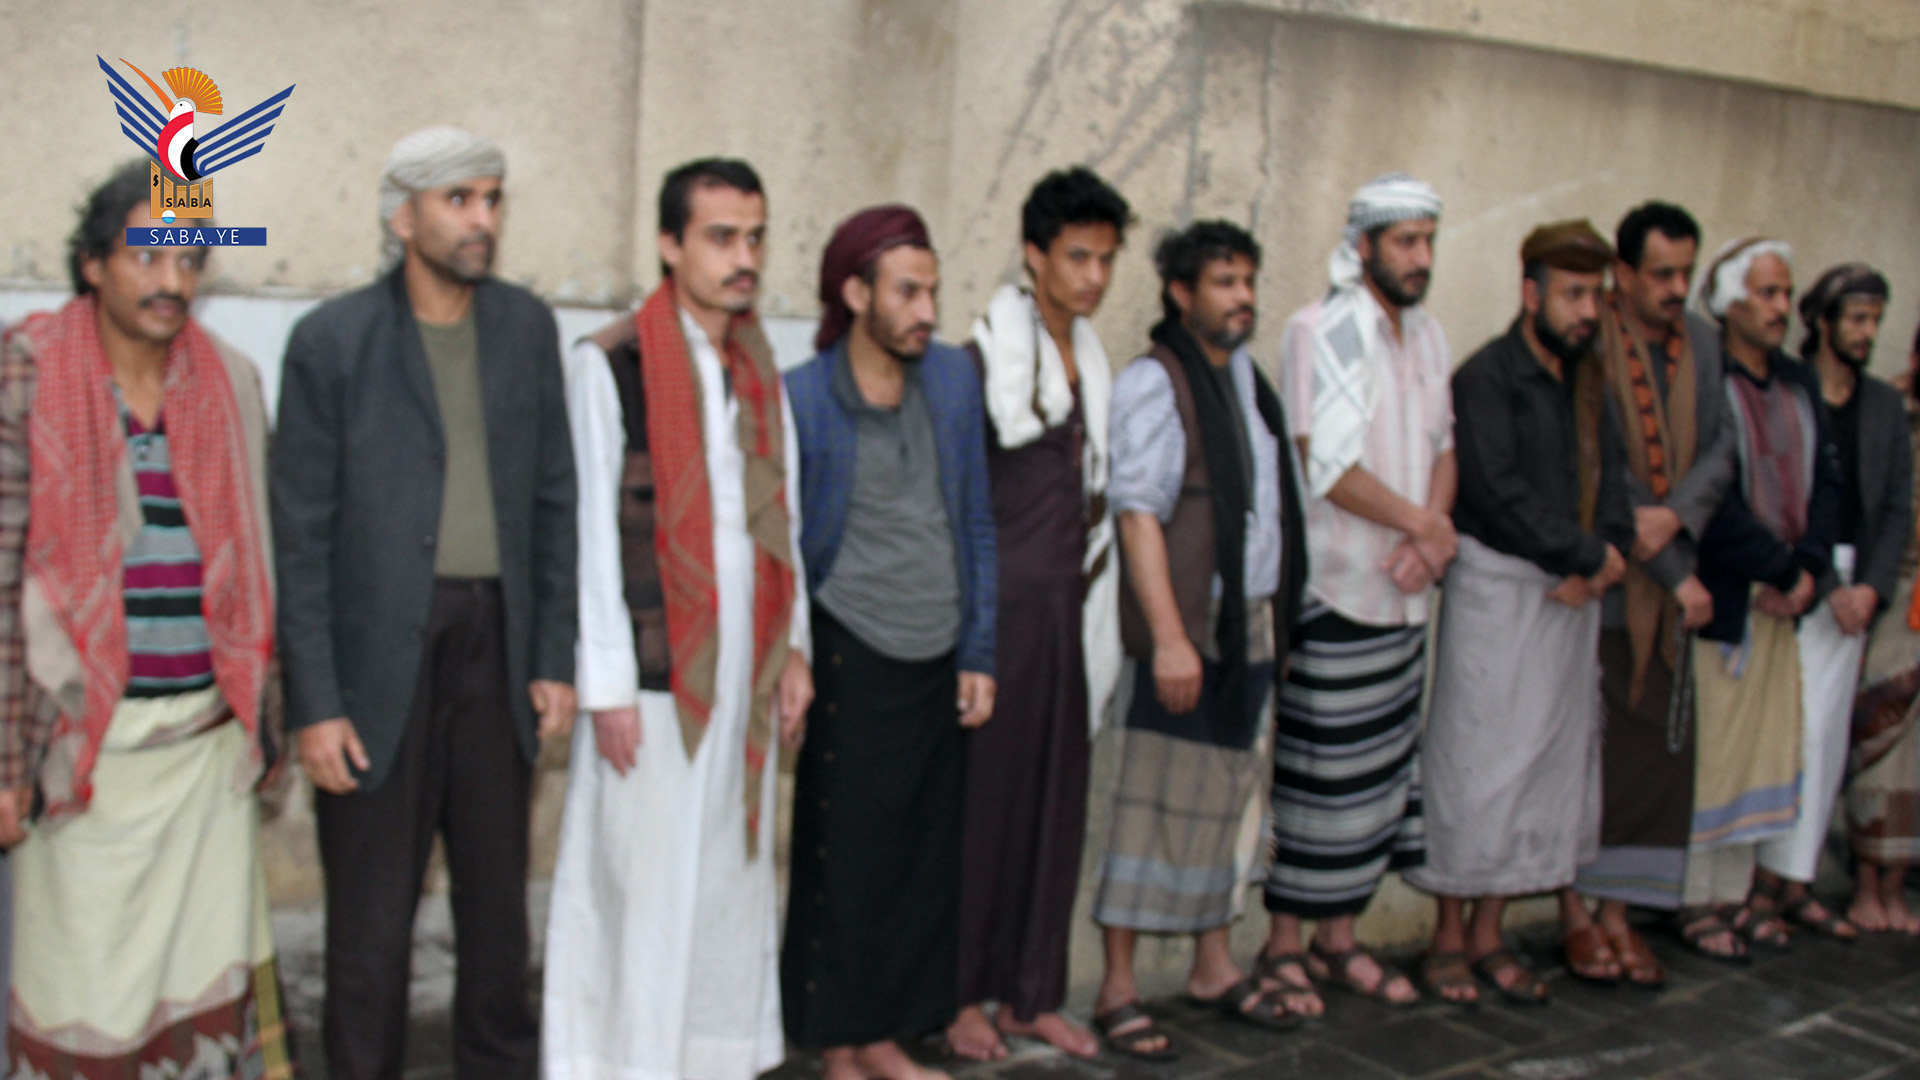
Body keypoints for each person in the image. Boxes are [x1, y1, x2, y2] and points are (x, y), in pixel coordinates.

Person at [272, 127, 578, 1079]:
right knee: (370, 927)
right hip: (377, 663)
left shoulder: (526, 328)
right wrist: (316, 704)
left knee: (497, 917)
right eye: (459, 200)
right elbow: (300, 538)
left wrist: (552, 656)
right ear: (403, 218)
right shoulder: (332, 342)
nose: (482, 219)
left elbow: (555, 500)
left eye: (492, 198)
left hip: (498, 648)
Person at [2, 161, 288, 1078]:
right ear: (93, 264)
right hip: (80, 761)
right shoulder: (24, 373)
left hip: (205, 762)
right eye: (147, 256)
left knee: (203, 987)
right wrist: (4, 765)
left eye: (190, 259)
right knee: (79, 996)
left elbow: (260, 568)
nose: (172, 280)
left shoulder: (231, 381)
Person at [542, 158, 813, 1080]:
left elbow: (783, 521)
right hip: (655, 671)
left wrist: (795, 650)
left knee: (728, 875)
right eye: (721, 237)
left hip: (747, 663)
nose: (744, 258)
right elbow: (589, 533)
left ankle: (708, 1060)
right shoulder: (609, 362)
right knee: (642, 882)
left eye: (755, 238)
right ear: (670, 244)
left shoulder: (758, 364)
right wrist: (608, 687)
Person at [781, 205, 998, 1080]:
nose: (927, 312)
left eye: (932, 292)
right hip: (850, 649)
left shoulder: (951, 379)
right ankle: (846, 1045)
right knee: (848, 860)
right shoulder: (805, 397)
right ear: (855, 292)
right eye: (907, 292)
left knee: (920, 863)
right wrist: (792, 654)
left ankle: (880, 1038)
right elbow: (785, 543)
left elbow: (975, 518)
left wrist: (979, 648)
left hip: (937, 652)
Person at [1090, 220, 1308, 1058]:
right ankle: (1117, 986)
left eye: (1247, 280)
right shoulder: (1156, 382)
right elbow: (1138, 514)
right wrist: (1171, 638)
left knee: (1234, 799)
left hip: (1248, 618)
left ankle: (1214, 965)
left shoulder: (1245, 378)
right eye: (1223, 282)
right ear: (1181, 294)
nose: (1242, 298)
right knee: (1150, 800)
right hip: (1188, 626)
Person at [1408, 220, 1634, 1007]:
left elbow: (1615, 484)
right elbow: (1493, 491)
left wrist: (1602, 559)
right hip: (1499, 594)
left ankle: (1489, 933)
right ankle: (1446, 934)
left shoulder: (1590, 381)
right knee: (1474, 764)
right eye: (1572, 295)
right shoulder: (1487, 377)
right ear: (1530, 293)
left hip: (1570, 597)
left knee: (1538, 771)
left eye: (1594, 296)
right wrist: (1582, 557)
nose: (1586, 312)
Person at [948, 166, 1130, 1061]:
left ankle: (1031, 996)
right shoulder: (983, 360)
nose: (1093, 277)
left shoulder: (1091, 362)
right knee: (982, 815)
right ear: (1034, 254)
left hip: (1073, 613)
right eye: (1077, 257)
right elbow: (958, 504)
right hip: (1000, 620)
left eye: (1105, 259)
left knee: (1055, 813)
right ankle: (959, 998)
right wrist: (969, 637)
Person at [1261, 173, 1452, 1013]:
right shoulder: (1321, 330)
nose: (1419, 257)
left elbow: (1446, 446)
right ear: (1364, 245)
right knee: (1317, 779)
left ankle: (1338, 941)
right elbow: (1323, 462)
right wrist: (1424, 528)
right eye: (1404, 241)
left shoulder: (1429, 335)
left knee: (1378, 779)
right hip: (1339, 591)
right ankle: (1282, 946)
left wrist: (1429, 537)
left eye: (1428, 241)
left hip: (1407, 592)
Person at [1562, 202, 1735, 980]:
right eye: (1661, 274)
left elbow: (1724, 447)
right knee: (1590, 756)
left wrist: (1677, 518)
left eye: (1685, 274)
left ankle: (1620, 913)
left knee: (1658, 760)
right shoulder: (1589, 339)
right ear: (1624, 274)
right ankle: (1574, 912)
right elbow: (1599, 462)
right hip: (1610, 582)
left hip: (1672, 583)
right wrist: (1663, 555)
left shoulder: (1704, 342)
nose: (1675, 288)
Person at [1685, 237, 1838, 957]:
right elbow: (1710, 499)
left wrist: (1804, 570)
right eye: (1768, 293)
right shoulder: (1706, 377)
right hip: (1730, 598)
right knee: (1716, 755)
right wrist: (1776, 569)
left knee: (1765, 754)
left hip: (1783, 600)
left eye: (1786, 293)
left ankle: (1737, 895)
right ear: (1729, 302)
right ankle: (1696, 902)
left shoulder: (1799, 382)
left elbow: (1828, 484)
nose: (1782, 308)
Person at [1746, 263, 1908, 941]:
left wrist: (1870, 586)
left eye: (1876, 320)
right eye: (1857, 319)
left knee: (1827, 736)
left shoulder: (1884, 406)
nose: (1868, 333)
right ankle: (1757, 883)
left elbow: (1895, 507)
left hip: (1854, 589)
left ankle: (1797, 881)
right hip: (1789, 578)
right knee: (1782, 732)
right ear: (1824, 321)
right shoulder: (1790, 387)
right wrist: (1824, 583)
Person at [1850, 321, 1920, 935]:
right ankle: (1866, 886)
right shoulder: (1893, 416)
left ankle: (1897, 888)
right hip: (1895, 596)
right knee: (1879, 739)